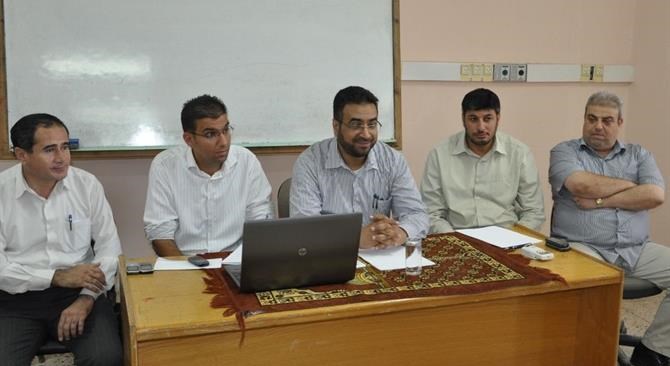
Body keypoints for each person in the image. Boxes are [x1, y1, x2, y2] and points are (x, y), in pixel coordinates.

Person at [0, 114, 123, 366]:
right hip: (16, 297)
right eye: (49, 149)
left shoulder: (86, 185)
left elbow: (109, 249)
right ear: (22, 155)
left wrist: (86, 299)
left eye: (65, 147)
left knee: (105, 359)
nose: (61, 158)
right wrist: (56, 277)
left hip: (80, 293)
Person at [549, 91, 669, 366]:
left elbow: (655, 195)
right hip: (583, 247)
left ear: (619, 123)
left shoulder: (640, 155)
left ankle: (654, 349)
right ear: (584, 119)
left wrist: (602, 200)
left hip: (635, 249)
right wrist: (631, 186)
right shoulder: (565, 152)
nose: (598, 126)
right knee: (593, 283)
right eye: (592, 119)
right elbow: (581, 185)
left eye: (606, 120)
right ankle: (588, 358)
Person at [290, 86, 428, 249]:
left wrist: (399, 233)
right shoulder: (310, 162)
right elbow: (305, 228)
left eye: (372, 124)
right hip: (330, 255)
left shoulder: (392, 160)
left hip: (381, 256)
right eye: (356, 125)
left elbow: (416, 214)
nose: (366, 134)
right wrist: (355, 238)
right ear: (336, 126)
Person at [143, 94, 273, 256]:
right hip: (186, 260)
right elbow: (160, 234)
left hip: (236, 259)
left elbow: (261, 225)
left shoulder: (246, 161)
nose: (223, 142)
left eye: (225, 130)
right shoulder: (165, 166)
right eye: (211, 134)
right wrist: (185, 268)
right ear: (189, 139)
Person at [420, 88, 545, 233]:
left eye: (487, 119)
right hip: (457, 235)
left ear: (498, 118)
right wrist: (454, 240)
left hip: (507, 236)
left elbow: (533, 212)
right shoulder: (439, 154)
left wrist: (513, 238)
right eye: (473, 119)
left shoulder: (519, 153)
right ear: (463, 119)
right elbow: (431, 212)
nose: (481, 127)